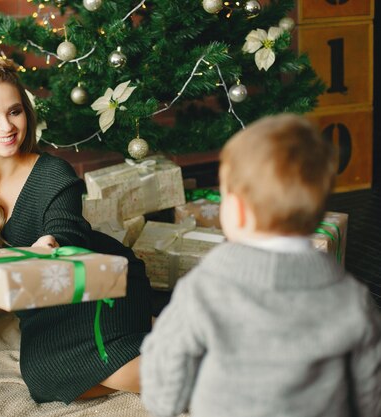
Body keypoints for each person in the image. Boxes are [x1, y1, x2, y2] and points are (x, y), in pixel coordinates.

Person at [0, 58, 153, 404]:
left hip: (99, 282)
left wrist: (50, 245)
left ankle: (206, 377)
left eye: (14, 112)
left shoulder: (53, 172)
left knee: (56, 370)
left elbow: (67, 233)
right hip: (43, 301)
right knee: (46, 381)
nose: (6, 126)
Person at [140, 114, 381, 417]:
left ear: (237, 212)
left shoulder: (204, 288)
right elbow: (370, 386)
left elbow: (167, 365)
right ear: (320, 214)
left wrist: (165, 404)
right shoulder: (351, 297)